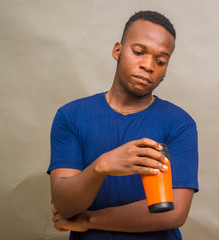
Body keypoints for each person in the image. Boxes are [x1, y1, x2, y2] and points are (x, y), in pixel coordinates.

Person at [48, 10, 199, 240]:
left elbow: (173, 213)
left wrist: (89, 220)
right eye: (138, 52)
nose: (148, 65)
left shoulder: (179, 123)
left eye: (160, 61)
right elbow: (64, 204)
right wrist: (102, 166)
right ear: (117, 50)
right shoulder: (71, 116)